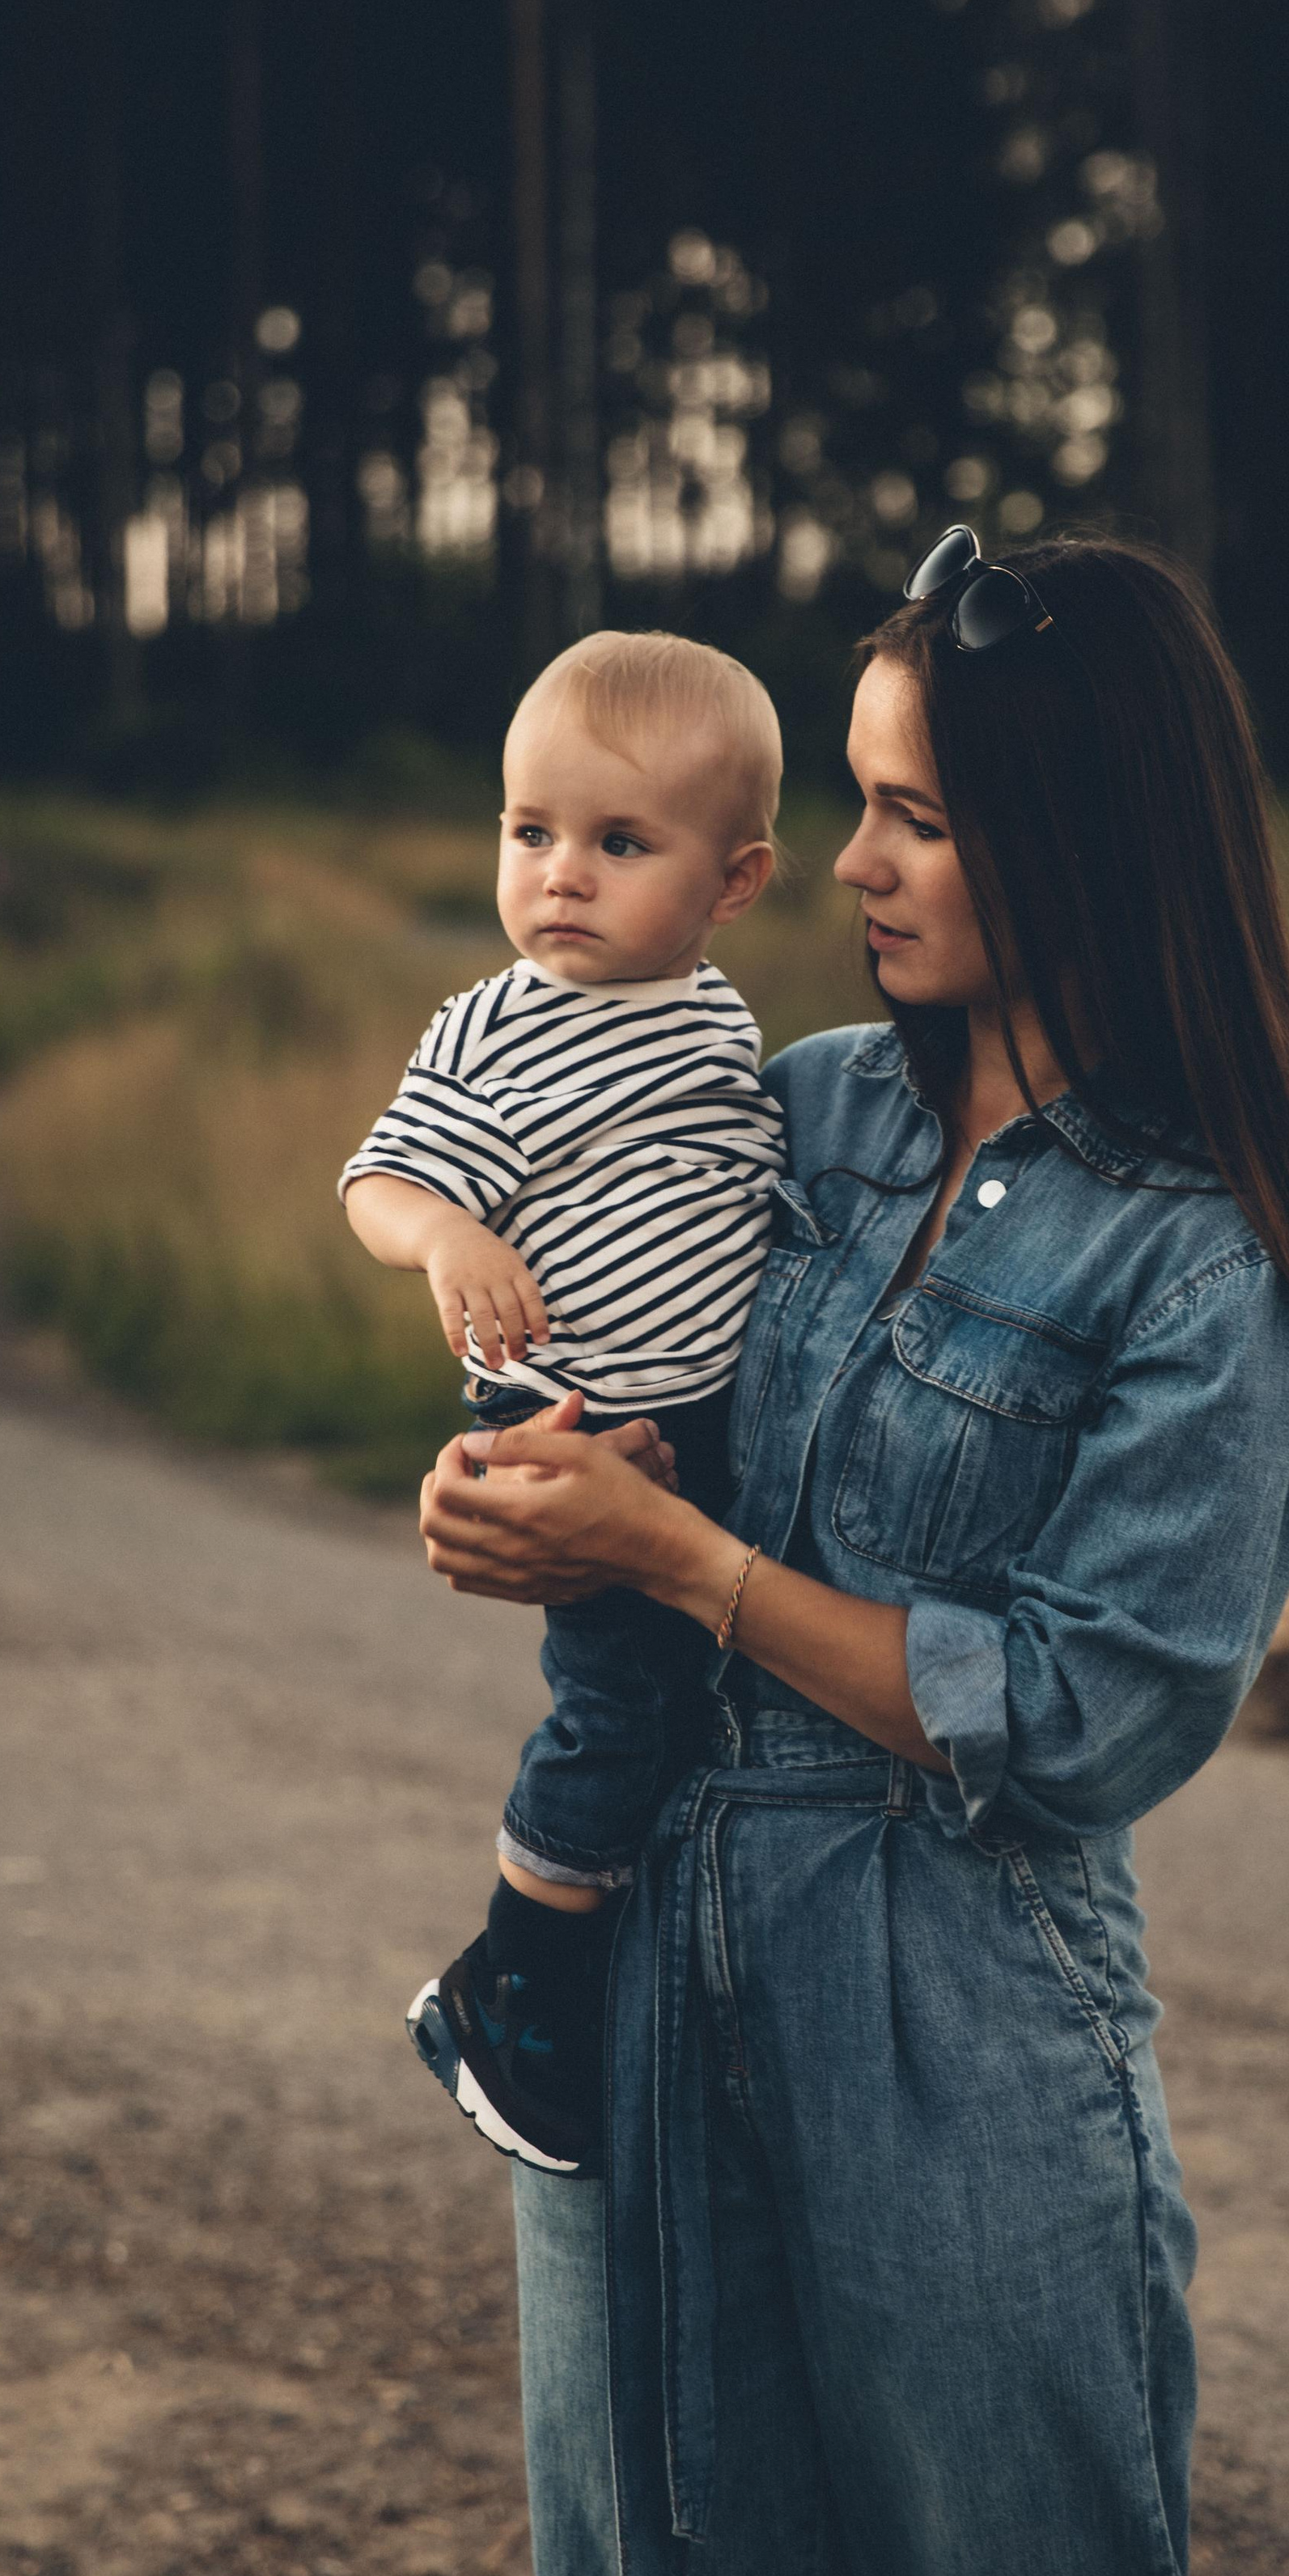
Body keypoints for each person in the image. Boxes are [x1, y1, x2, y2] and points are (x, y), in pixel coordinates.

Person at [418, 527, 1289, 2576]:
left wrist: (683, 1575)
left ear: (1081, 838)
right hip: (639, 1979)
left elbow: (1079, 1714)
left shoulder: (1199, 1261)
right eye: (857, 798)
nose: (849, 862)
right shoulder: (802, 1109)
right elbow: (616, 1379)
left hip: (960, 2025)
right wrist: (518, 1485)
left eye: (918, 817)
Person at [341, 629, 784, 2174]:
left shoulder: (720, 1024)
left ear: (733, 884)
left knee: (705, 1703)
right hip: (574, 1431)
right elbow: (381, 1181)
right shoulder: (498, 1025)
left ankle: (637, 1955)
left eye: (618, 843)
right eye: (530, 834)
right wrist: (449, 1232)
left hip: (704, 1430)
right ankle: (517, 1978)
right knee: (624, 1705)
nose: (561, 879)